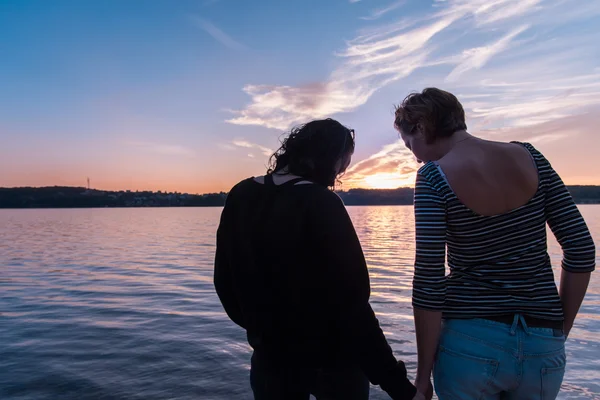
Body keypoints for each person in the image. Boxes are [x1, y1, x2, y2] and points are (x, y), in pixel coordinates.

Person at [394, 88, 596, 399]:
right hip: (543, 345)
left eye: (411, 146)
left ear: (420, 126)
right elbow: (581, 249)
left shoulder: (434, 178)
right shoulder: (531, 156)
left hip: (470, 342)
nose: (417, 156)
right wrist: (555, 331)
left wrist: (422, 377)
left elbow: (428, 282)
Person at [214, 118, 420, 400]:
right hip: (333, 363)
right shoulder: (321, 203)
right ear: (329, 157)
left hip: (270, 360)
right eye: (343, 163)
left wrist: (262, 330)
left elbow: (224, 282)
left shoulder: (240, 194)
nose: (341, 171)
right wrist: (397, 384)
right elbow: (353, 304)